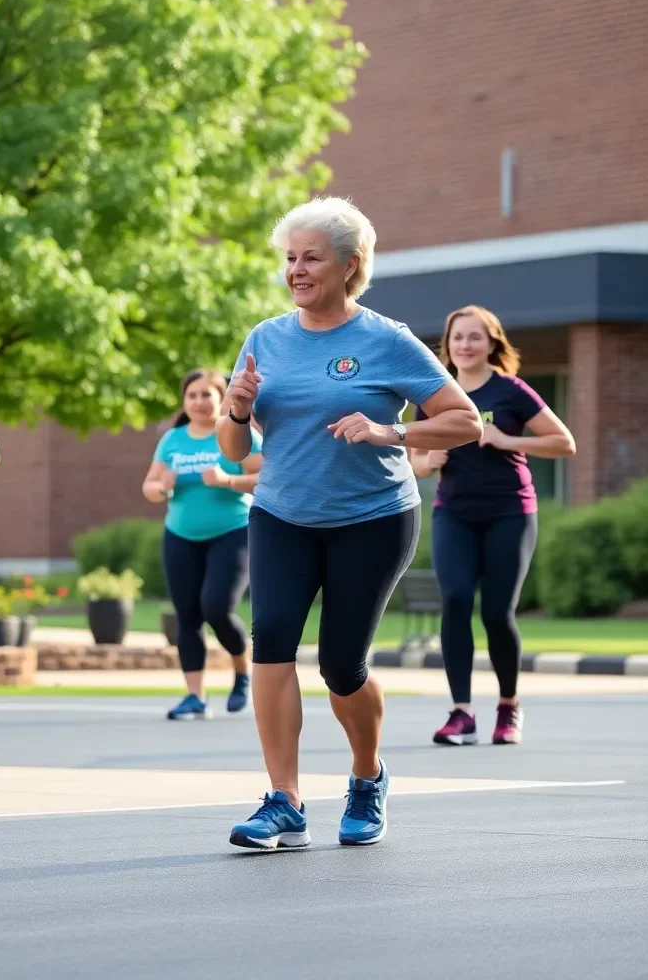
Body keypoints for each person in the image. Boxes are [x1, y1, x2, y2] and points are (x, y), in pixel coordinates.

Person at [217, 196, 482, 850]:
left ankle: (367, 776)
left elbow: (465, 421)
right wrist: (235, 409)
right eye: (289, 259)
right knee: (271, 642)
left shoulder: (384, 340)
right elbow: (231, 451)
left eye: (311, 258)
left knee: (342, 666)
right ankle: (284, 801)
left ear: (349, 265)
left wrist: (389, 429)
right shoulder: (266, 339)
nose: (296, 271)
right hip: (282, 512)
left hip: (371, 520)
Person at [410, 305, 576, 747]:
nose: (465, 345)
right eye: (458, 338)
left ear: (491, 343)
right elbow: (416, 461)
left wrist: (509, 440)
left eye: (474, 337)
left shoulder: (511, 391)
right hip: (454, 512)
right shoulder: (435, 395)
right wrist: (430, 459)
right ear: (447, 346)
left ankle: (508, 706)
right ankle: (461, 713)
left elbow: (565, 443)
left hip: (510, 511)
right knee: (457, 600)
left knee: (497, 612)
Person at [142, 369, 262, 720]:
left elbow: (268, 478)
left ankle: (242, 671)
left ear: (222, 397)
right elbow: (149, 487)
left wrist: (229, 480)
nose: (198, 402)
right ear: (184, 401)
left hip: (233, 533)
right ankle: (195, 696)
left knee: (216, 608)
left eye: (206, 394)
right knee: (187, 617)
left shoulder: (240, 434)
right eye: (191, 395)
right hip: (180, 536)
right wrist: (161, 487)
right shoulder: (172, 440)